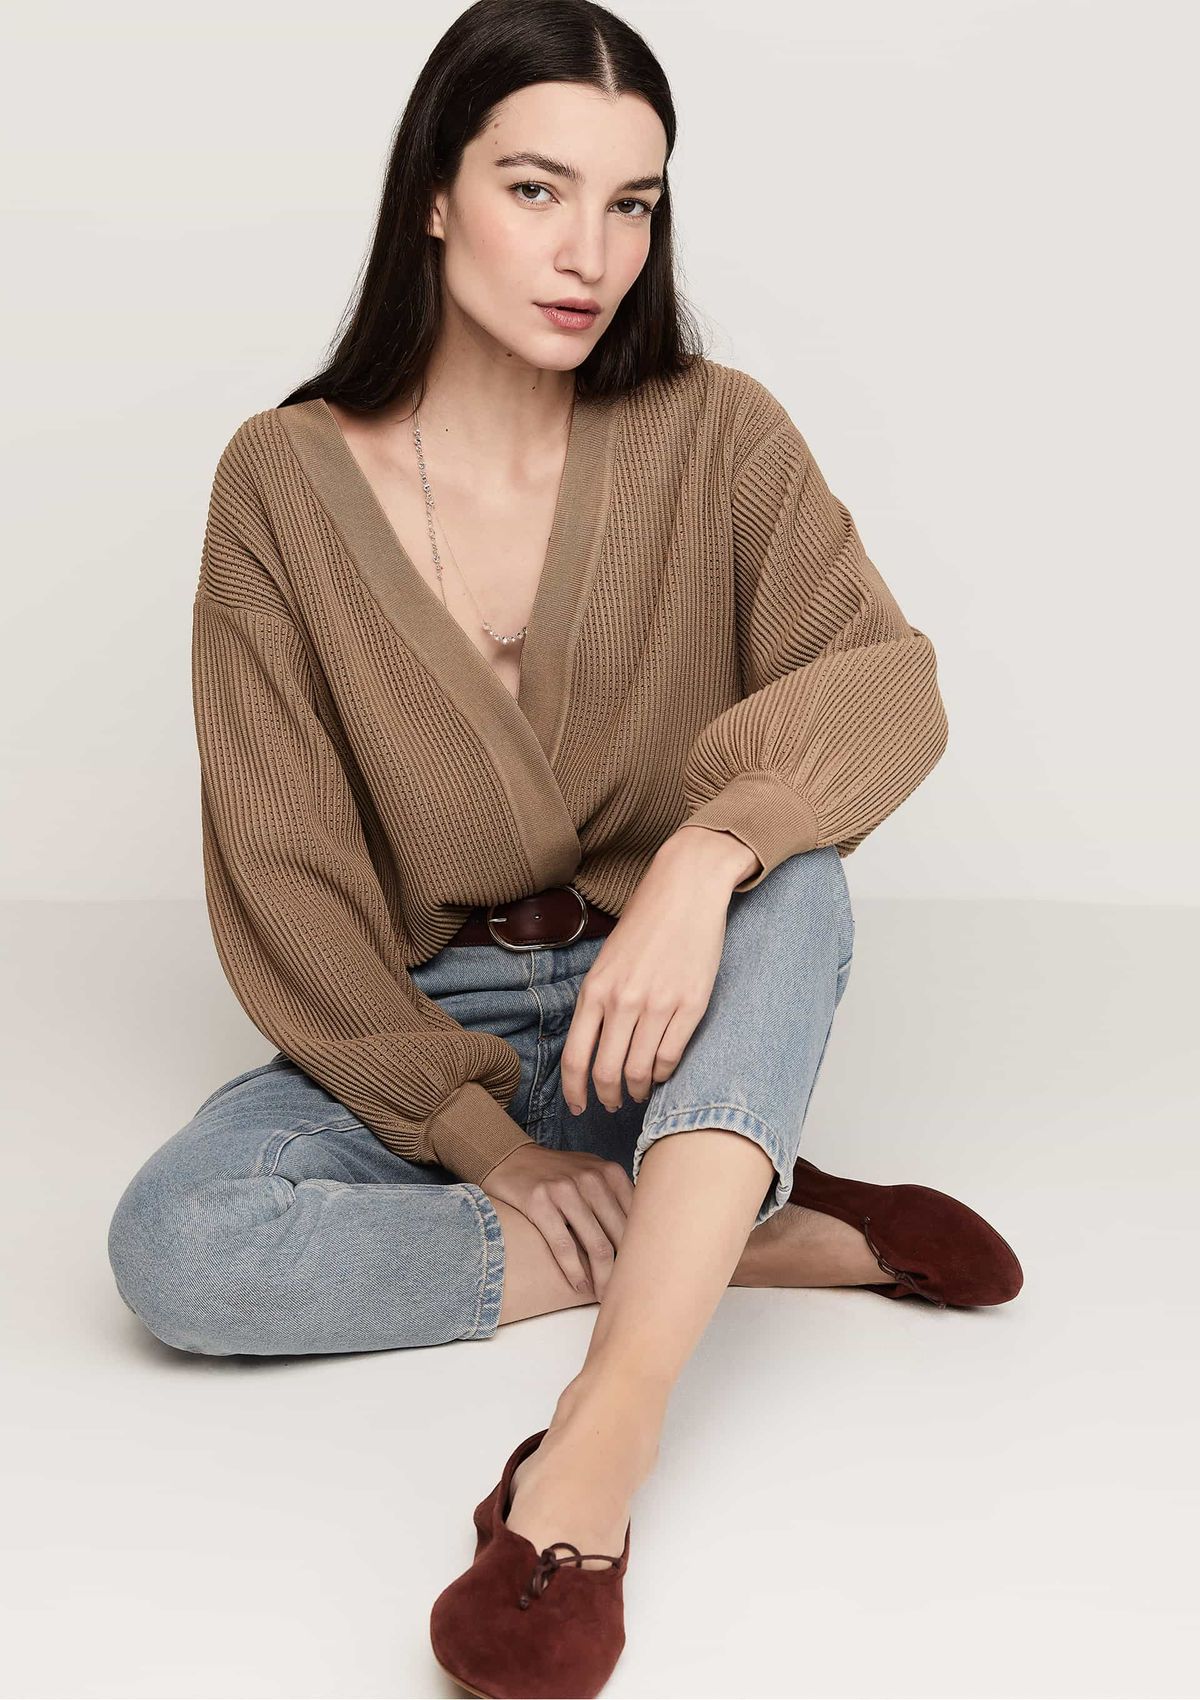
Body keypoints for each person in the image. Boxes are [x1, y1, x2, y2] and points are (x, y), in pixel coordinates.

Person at [106, 2, 1022, 1693]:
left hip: (656, 1015)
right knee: (178, 1248)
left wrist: (702, 859)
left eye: (632, 204)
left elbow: (888, 684)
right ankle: (723, 1226)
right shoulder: (283, 484)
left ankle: (599, 1440)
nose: (589, 252)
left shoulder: (716, 430)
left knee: (797, 871)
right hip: (422, 1027)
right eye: (537, 189)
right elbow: (286, 870)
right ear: (434, 193)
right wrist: (480, 1141)